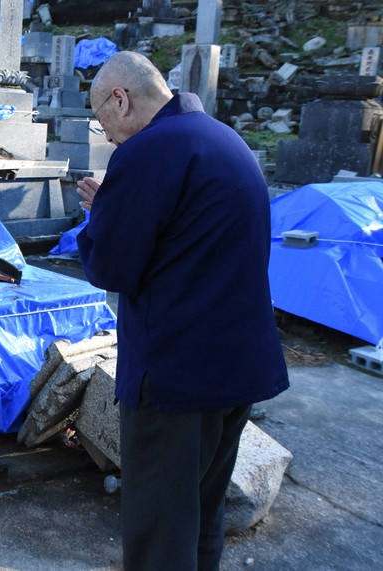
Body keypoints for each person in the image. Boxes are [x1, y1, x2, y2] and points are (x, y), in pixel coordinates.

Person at [76, 51, 290, 570]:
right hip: (235, 367)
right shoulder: (226, 140)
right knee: (200, 515)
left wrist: (103, 209)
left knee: (158, 529)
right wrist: (119, 203)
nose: (105, 135)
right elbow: (188, 243)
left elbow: (112, 267)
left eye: (100, 116)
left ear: (121, 99)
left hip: (174, 375)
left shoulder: (148, 152)